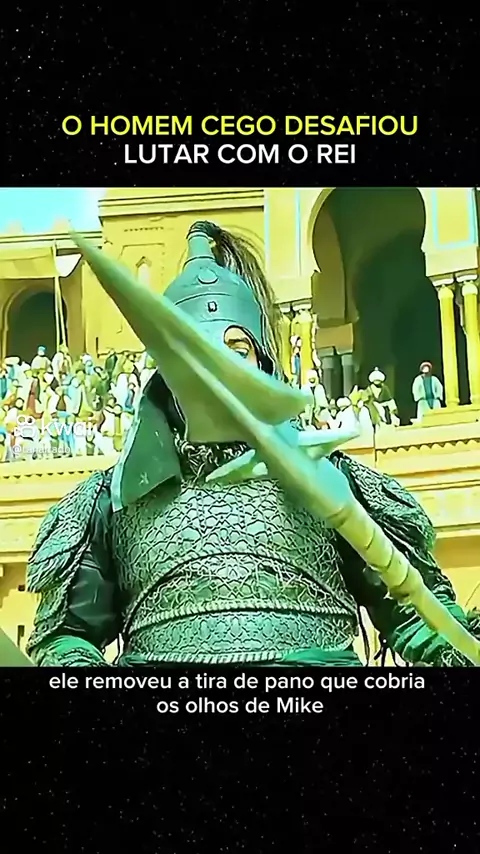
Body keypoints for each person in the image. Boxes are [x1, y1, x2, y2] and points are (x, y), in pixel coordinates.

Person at [25, 221, 480, 668]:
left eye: (237, 349)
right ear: (164, 370)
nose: (217, 366)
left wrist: (456, 649)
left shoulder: (331, 479)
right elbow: (67, 635)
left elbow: (417, 618)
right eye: (193, 350)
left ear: (261, 360)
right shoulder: (112, 500)